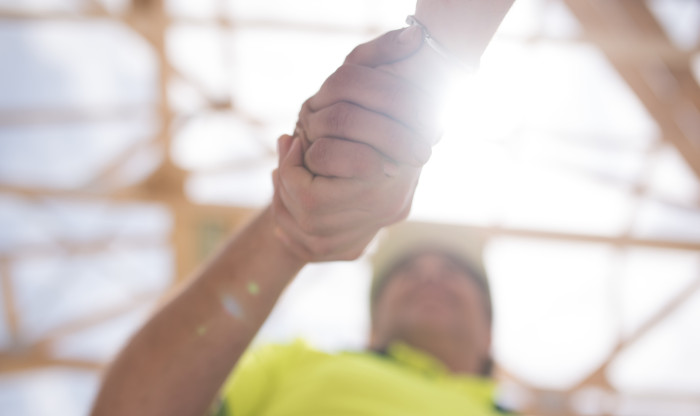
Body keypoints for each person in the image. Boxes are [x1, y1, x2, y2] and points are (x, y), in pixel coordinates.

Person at [91, 2, 515, 414]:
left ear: (491, 335)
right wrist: (288, 232)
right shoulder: (288, 366)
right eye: (406, 272)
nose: (429, 276)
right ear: (370, 328)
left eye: (454, 273)